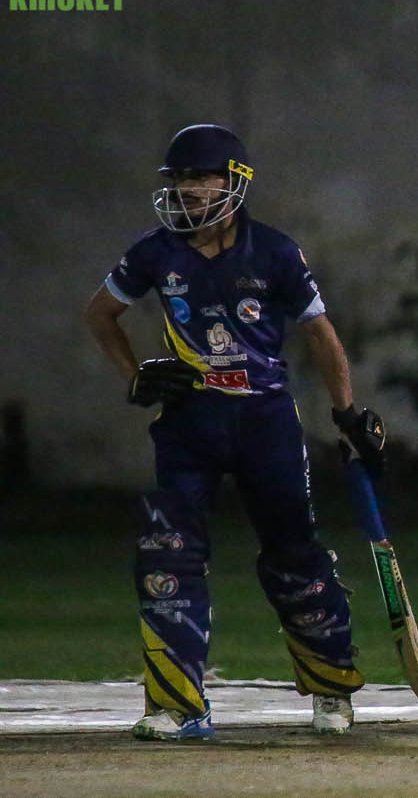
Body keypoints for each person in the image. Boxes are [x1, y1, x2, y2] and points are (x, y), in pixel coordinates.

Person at [83, 123, 386, 740]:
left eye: (200, 178)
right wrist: (136, 377)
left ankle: (331, 690)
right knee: (169, 555)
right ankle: (178, 705)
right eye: (179, 180)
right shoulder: (155, 251)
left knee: (293, 552)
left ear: (234, 183)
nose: (187, 191)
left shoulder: (274, 252)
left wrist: (347, 414)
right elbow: (101, 313)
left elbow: (320, 334)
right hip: (188, 420)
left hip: (265, 420)